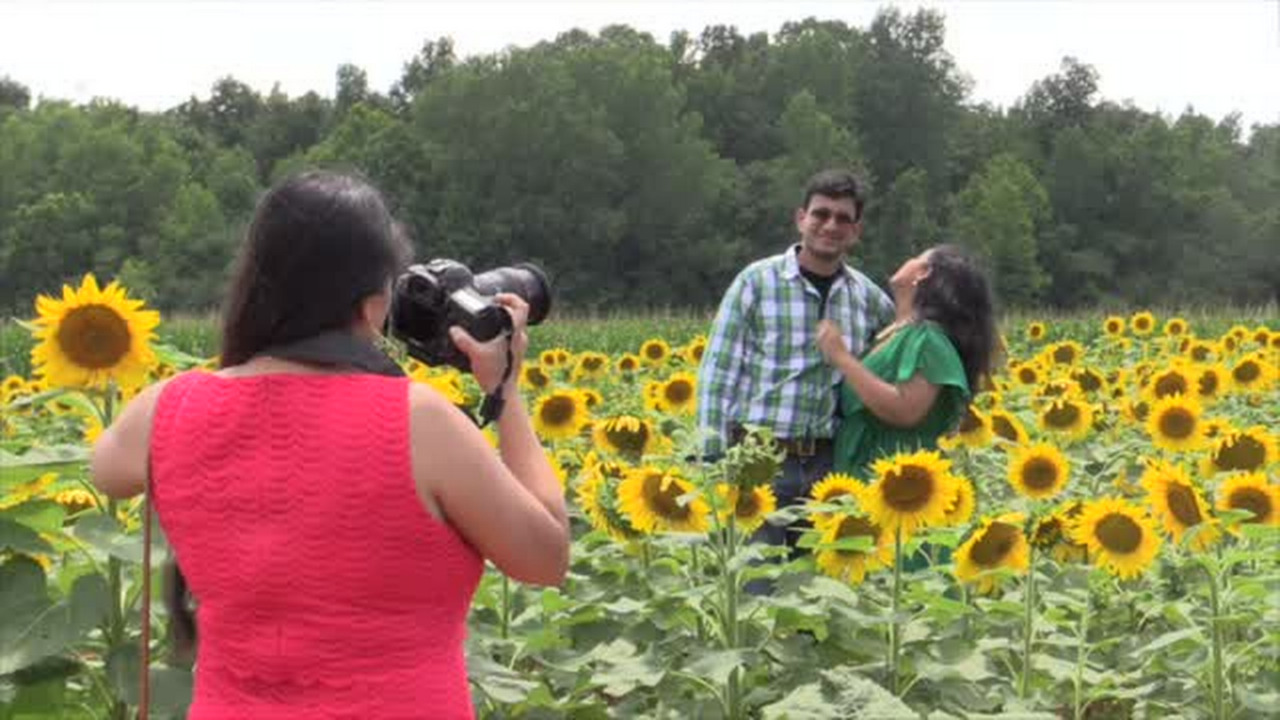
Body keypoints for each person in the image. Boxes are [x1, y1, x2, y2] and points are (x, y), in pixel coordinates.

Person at [90, 171, 569, 718]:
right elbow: (545, 558)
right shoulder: (423, 424)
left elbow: (108, 469)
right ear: (371, 305)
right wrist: (505, 389)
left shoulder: (167, 408)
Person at [696, 169, 895, 555]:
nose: (830, 225)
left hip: (827, 465)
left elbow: (902, 341)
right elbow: (718, 373)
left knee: (812, 594)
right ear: (800, 217)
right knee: (754, 587)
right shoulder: (757, 281)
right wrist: (712, 461)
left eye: (843, 218)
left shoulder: (867, 297)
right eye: (821, 214)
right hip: (757, 461)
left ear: (856, 231)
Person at [816, 244, 996, 479]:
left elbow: (906, 410)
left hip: (901, 480)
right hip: (869, 473)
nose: (907, 259)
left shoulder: (928, 338)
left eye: (917, 257)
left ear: (923, 272)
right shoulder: (895, 332)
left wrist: (842, 358)